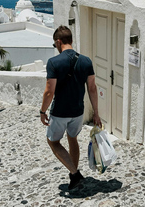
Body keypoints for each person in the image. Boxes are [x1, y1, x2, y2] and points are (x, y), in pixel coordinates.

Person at [40, 25, 102, 190]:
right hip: (78, 111)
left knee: (53, 142)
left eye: (55, 44)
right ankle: (74, 176)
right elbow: (93, 88)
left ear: (59, 42)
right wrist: (96, 113)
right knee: (72, 139)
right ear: (71, 41)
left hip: (60, 112)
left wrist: (42, 111)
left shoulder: (53, 62)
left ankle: (75, 174)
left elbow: (49, 92)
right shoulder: (86, 61)